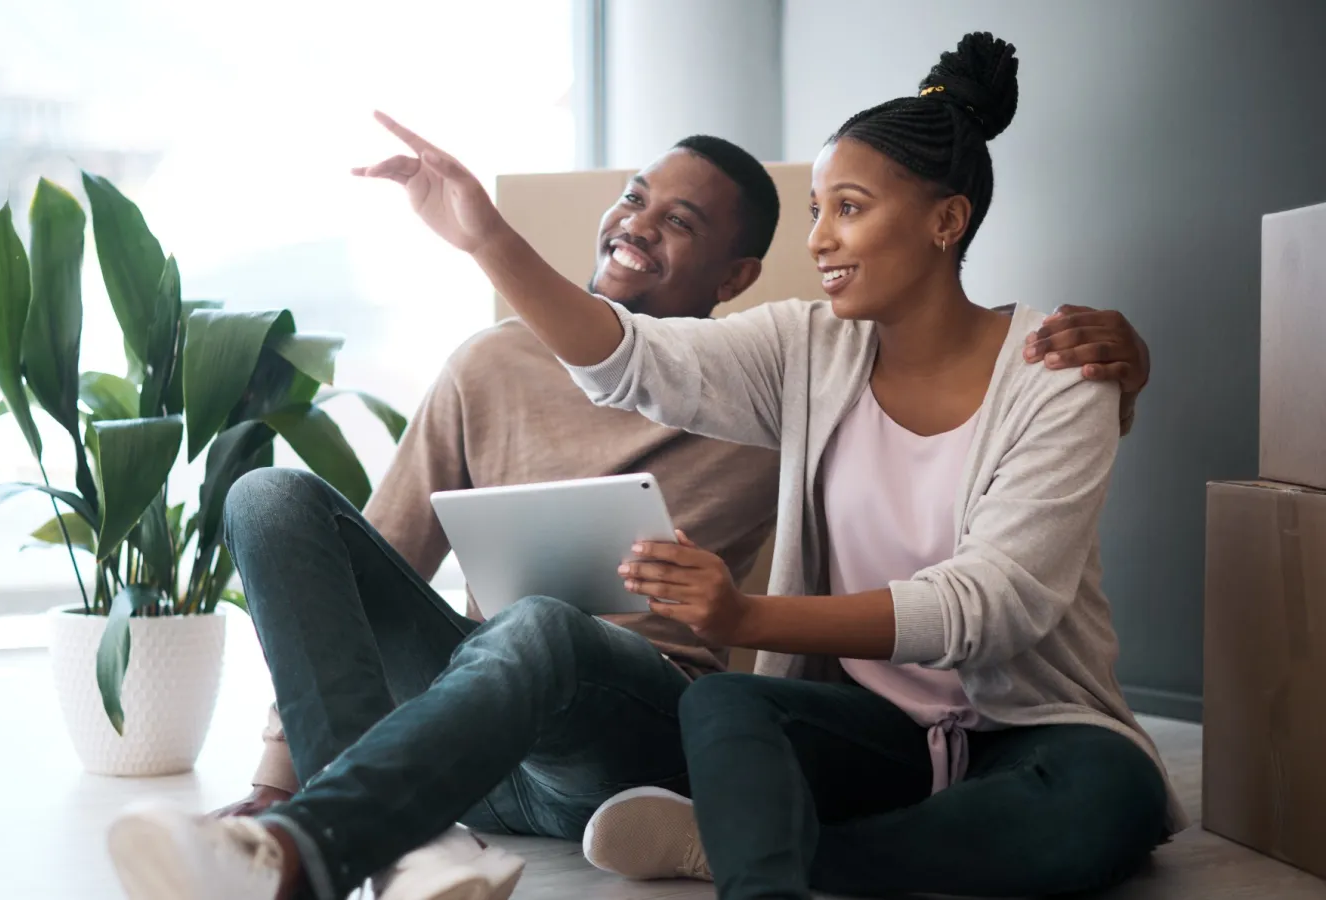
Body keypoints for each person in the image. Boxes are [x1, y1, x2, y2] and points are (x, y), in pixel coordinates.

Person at [104, 83, 1157, 900]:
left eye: (847, 209)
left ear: (943, 221)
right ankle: (389, 842)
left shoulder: (785, 384)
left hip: (606, 729)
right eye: (815, 212)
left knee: (548, 627)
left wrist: (1126, 371)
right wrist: (479, 234)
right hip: (456, 729)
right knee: (271, 500)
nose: (821, 240)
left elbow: (1001, 572)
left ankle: (326, 849)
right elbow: (616, 362)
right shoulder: (759, 356)